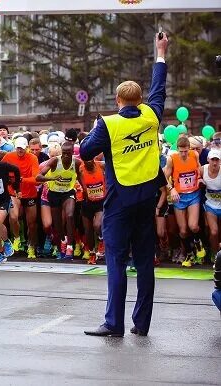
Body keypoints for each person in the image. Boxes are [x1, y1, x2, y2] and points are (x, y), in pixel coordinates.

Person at [81, 33, 168, 337]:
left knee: (116, 261)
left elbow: (85, 152)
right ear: (140, 100)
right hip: (146, 198)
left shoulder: (109, 123)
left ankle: (113, 323)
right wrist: (160, 53)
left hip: (119, 200)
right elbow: (159, 88)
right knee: (145, 263)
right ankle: (141, 324)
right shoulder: (151, 116)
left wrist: (93, 130)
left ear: (118, 101)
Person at [164, 136, 206, 267]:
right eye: (181, 151)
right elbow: (165, 177)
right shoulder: (172, 159)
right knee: (183, 231)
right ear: (177, 149)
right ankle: (189, 254)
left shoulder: (194, 155)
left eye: (185, 151)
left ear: (189, 149)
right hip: (179, 197)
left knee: (193, 226)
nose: (183, 154)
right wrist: (171, 189)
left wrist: (199, 178)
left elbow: (198, 169)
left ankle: (198, 243)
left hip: (193, 194)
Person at [37, 142, 82, 259]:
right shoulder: (55, 161)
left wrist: (85, 189)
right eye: (64, 153)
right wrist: (52, 177)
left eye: (68, 153)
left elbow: (81, 176)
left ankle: (70, 247)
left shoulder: (76, 163)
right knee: (57, 224)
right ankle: (62, 241)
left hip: (68, 192)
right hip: (54, 193)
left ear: (73, 153)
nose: (66, 156)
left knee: (70, 215)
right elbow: (38, 177)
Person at [3, 137, 41, 258]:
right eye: (18, 148)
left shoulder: (32, 158)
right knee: (13, 216)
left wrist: (21, 179)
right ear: (15, 147)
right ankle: (17, 238)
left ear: (27, 148)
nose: (20, 151)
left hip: (29, 193)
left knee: (31, 223)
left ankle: (31, 247)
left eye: (22, 148)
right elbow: (0, 168)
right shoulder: (9, 157)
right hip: (14, 192)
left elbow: (36, 179)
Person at [78, 159, 106, 264]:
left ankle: (101, 239)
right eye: (86, 160)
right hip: (87, 202)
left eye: (90, 159)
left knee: (97, 225)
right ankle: (92, 253)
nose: (88, 162)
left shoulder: (102, 166)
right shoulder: (80, 169)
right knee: (88, 230)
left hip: (101, 202)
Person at [200, 149, 221, 264]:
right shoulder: (203, 169)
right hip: (210, 205)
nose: (214, 163)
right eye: (212, 159)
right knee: (214, 232)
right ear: (208, 159)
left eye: (217, 160)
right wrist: (199, 180)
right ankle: (215, 254)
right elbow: (196, 175)